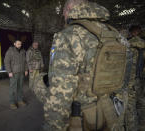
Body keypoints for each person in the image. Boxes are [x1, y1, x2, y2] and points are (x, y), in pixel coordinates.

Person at [33, 0, 131, 131]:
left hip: (83, 117)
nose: (63, 15)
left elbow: (61, 92)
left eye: (64, 11)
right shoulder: (117, 36)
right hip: (112, 112)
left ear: (69, 9)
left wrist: (53, 126)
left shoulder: (69, 35)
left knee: (39, 81)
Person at [127, 25, 145, 131]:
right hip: (142, 78)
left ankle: (134, 127)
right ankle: (143, 125)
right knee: (142, 102)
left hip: (133, 80)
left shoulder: (129, 43)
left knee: (131, 105)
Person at [4, 40, 28, 110]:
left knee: (20, 87)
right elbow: (6, 62)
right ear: (14, 44)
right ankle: (12, 103)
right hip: (14, 73)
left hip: (21, 72)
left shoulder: (23, 51)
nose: (19, 45)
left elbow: (25, 61)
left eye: (20, 44)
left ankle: (20, 100)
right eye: (18, 44)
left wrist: (26, 69)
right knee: (13, 88)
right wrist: (9, 71)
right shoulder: (10, 51)